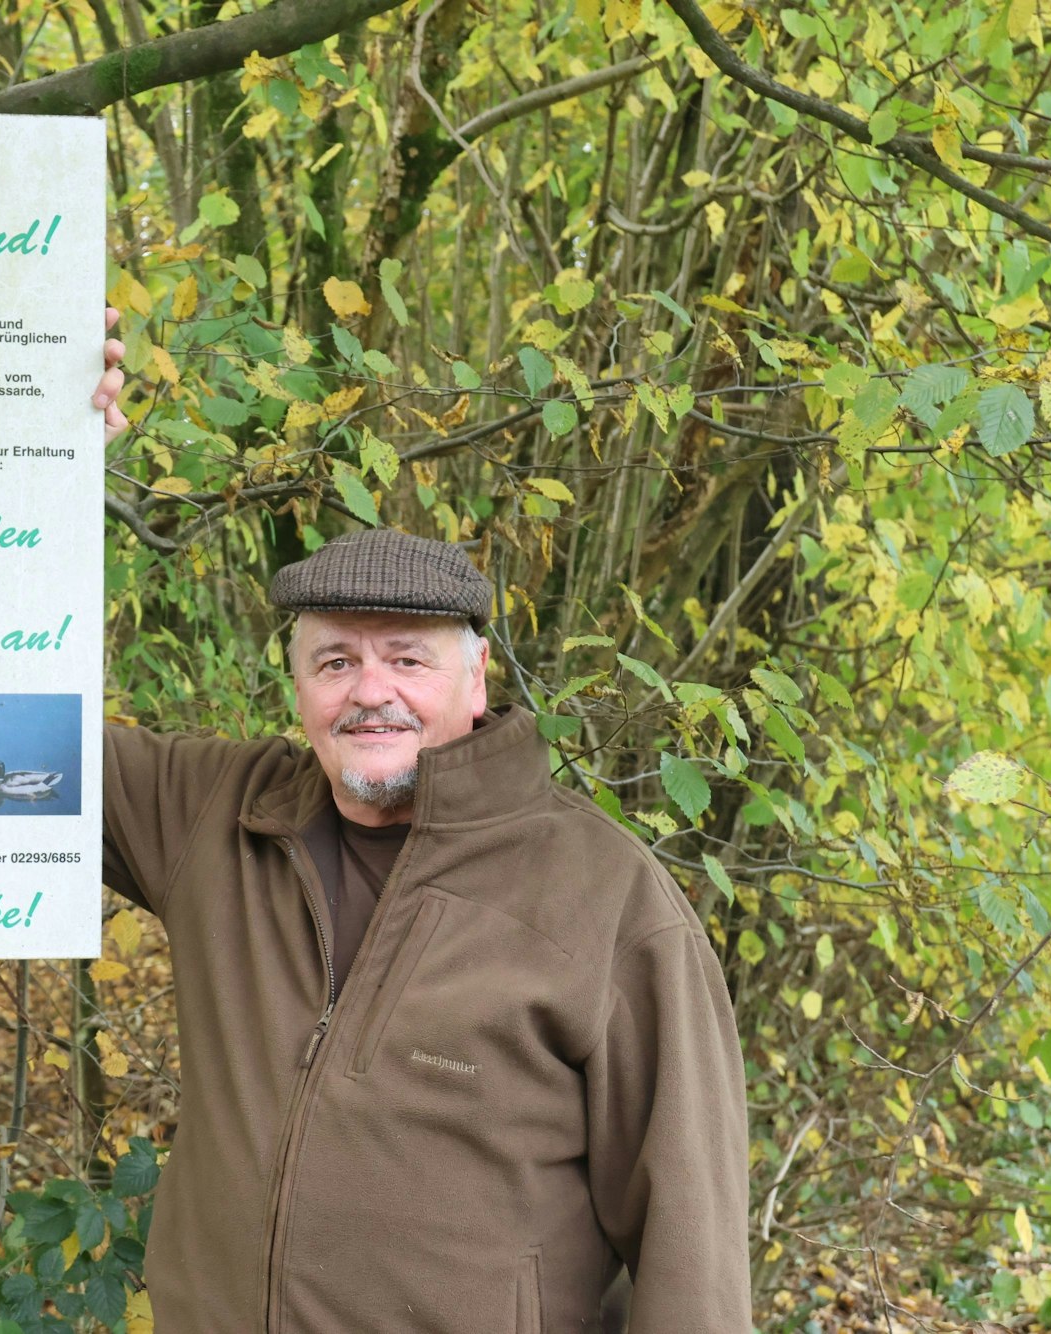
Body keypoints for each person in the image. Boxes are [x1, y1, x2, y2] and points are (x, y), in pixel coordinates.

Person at [86, 317, 751, 1331]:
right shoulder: (212, 815)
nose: (371, 692)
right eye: (335, 660)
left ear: (475, 676)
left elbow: (689, 1247)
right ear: (297, 681)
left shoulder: (605, 899)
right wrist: (39, 449)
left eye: (407, 657)